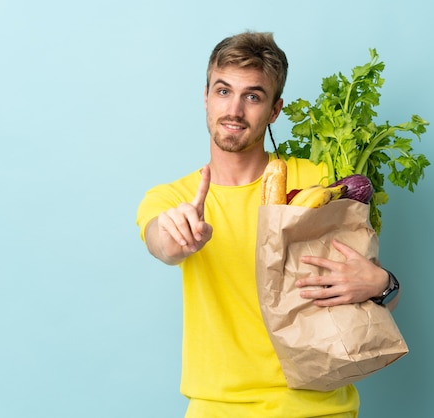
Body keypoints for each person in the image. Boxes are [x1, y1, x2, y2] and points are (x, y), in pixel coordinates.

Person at [136, 31, 400, 418]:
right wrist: (177, 235)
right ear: (205, 97)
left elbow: (373, 302)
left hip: (321, 410)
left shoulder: (321, 184)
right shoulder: (175, 199)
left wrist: (382, 284)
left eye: (253, 96)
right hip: (218, 410)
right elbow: (161, 242)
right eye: (223, 91)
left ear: (275, 110)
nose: (235, 110)